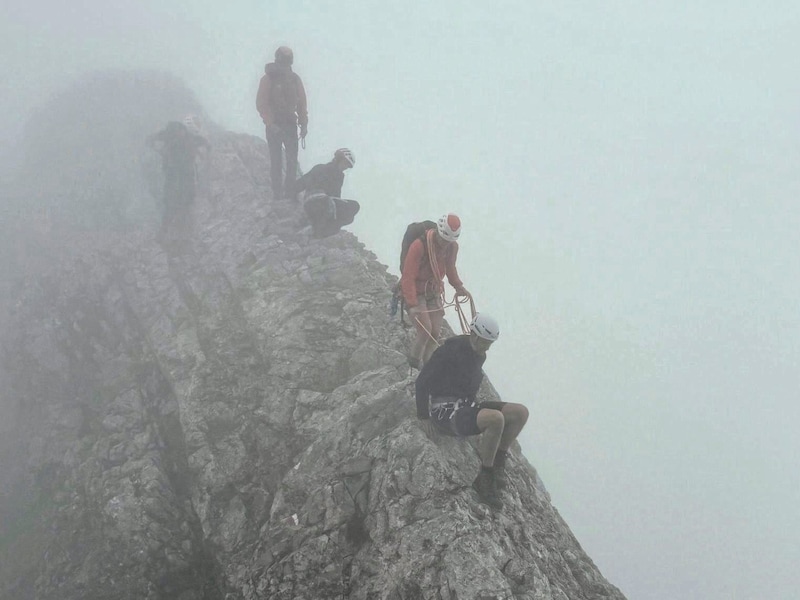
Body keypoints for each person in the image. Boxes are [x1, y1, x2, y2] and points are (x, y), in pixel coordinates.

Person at [415, 313, 529, 510]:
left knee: (520, 412)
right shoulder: (449, 351)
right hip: (444, 411)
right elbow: (422, 381)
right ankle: (485, 475)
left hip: (466, 406)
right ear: (474, 335)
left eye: (489, 344)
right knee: (496, 419)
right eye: (485, 342)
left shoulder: (479, 355)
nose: (486, 348)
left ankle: (499, 460)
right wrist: (423, 416)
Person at [400, 213, 469, 367]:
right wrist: (411, 304)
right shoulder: (420, 245)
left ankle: (427, 368)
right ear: (438, 231)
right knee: (425, 330)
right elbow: (408, 275)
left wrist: (458, 286)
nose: (445, 244)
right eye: (444, 240)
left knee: (435, 333)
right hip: (417, 292)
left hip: (433, 290)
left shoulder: (452, 247)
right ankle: (414, 364)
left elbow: (450, 267)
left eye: (449, 241)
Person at [255, 46, 308, 200]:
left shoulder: (274, 78)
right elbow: (262, 103)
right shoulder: (289, 79)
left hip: (283, 125)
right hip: (280, 125)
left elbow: (262, 103)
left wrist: (303, 123)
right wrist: (271, 124)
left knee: (282, 161)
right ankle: (282, 194)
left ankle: (284, 194)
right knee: (282, 161)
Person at [146, 120, 209, 240]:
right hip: (180, 170)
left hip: (175, 169)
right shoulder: (187, 137)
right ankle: (176, 225)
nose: (180, 134)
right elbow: (205, 144)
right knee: (180, 196)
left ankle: (170, 226)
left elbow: (150, 139)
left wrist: (156, 148)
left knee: (174, 197)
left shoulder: (170, 135)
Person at [295, 148, 359, 238]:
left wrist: (288, 193)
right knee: (354, 206)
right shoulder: (339, 175)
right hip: (323, 203)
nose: (345, 167)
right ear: (339, 159)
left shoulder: (319, 167)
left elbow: (301, 184)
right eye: (345, 163)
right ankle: (319, 230)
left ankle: (315, 227)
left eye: (347, 166)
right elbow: (336, 196)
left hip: (309, 205)